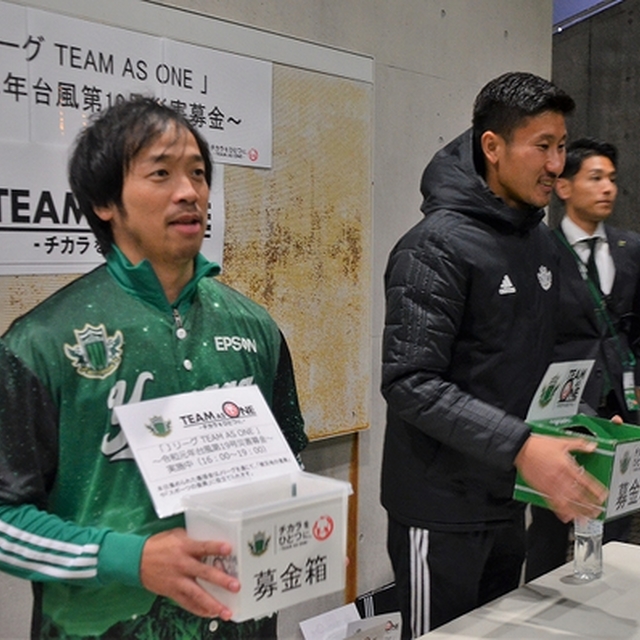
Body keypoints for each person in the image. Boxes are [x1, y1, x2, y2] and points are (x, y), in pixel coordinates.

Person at [0, 97, 308, 639]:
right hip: (99, 627)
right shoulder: (41, 343)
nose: (189, 191)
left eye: (198, 173)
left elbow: (287, 465)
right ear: (104, 201)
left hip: (239, 621)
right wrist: (129, 557)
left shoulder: (256, 328)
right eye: (161, 173)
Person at [380, 71, 608, 638]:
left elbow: (550, 351)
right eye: (543, 147)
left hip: (507, 497)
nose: (557, 165)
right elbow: (410, 381)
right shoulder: (435, 245)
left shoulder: (536, 239)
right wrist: (522, 445)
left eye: (561, 147)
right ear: (493, 147)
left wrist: (590, 415)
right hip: (440, 510)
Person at [525, 138, 640, 582]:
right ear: (565, 187)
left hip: (620, 407)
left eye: (612, 178)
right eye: (595, 178)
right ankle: (542, 601)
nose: (608, 187)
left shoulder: (631, 249)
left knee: (614, 513)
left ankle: (605, 601)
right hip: (562, 409)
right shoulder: (542, 251)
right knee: (552, 523)